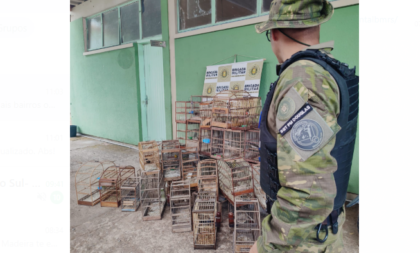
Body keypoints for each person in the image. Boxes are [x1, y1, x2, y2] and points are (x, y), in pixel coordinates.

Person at [249, 0, 359, 252]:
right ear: (316, 25)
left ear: (274, 33)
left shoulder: (302, 81)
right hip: (317, 233)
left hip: (302, 241)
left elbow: (308, 192)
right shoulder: (325, 69)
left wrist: (266, 245)